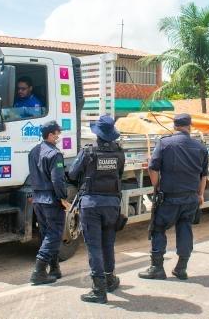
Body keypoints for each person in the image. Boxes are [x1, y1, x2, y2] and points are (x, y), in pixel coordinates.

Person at [138, 113, 208, 281]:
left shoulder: (164, 143)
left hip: (169, 197)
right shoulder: (201, 147)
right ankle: (181, 268)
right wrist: (200, 194)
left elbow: (152, 168)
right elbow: (203, 175)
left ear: (174, 126)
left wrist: (157, 186)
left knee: (159, 228)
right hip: (190, 197)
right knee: (185, 228)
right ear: (189, 126)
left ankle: (157, 268)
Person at [68, 115, 125, 304]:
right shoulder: (119, 153)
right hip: (112, 205)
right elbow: (119, 175)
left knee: (94, 247)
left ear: (97, 135)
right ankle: (110, 279)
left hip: (91, 205)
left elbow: (73, 173)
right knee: (108, 244)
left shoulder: (88, 152)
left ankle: (99, 290)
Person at [28, 120, 68, 285]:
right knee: (54, 234)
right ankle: (38, 271)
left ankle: (54, 268)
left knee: (46, 233)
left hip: (38, 199)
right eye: (57, 133)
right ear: (50, 134)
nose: (58, 136)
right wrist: (63, 197)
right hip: (51, 199)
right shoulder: (54, 154)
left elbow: (32, 175)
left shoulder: (33, 151)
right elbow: (57, 179)